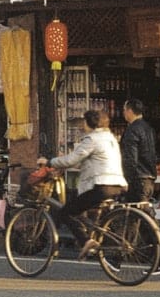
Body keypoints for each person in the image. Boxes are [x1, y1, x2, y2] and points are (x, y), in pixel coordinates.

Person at [48, 109, 127, 259]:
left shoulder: (92, 139)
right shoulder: (110, 139)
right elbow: (86, 162)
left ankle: (86, 241)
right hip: (116, 185)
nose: (82, 125)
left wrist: (50, 162)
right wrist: (62, 167)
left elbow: (72, 159)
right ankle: (94, 241)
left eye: (84, 122)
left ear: (90, 123)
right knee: (87, 213)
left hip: (101, 186)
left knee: (66, 212)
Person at [120, 99, 160, 275]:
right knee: (136, 220)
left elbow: (130, 160)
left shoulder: (132, 130)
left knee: (140, 219)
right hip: (148, 178)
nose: (123, 113)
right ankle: (118, 259)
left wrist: (129, 181)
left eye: (124, 110)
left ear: (129, 111)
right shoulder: (148, 128)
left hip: (138, 180)